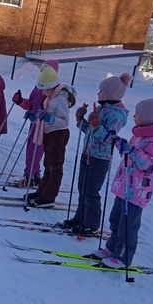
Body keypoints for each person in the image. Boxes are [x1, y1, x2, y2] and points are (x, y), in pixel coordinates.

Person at [93, 95, 153, 269]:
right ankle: (112, 248)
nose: (134, 116)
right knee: (115, 219)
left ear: (148, 117)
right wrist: (119, 144)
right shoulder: (139, 135)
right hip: (125, 186)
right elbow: (128, 155)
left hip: (137, 191)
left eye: (137, 114)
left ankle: (123, 257)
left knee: (128, 225)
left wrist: (132, 151)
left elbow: (149, 165)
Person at [62, 72, 133, 236]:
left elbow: (109, 139)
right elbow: (90, 131)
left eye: (101, 91)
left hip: (99, 159)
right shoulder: (101, 109)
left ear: (109, 94)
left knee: (91, 191)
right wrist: (81, 120)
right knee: (82, 189)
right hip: (87, 154)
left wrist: (96, 125)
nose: (98, 94)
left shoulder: (116, 115)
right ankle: (80, 218)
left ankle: (91, 223)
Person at [26, 66, 76, 208]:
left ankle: (49, 197)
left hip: (58, 135)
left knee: (55, 167)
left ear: (50, 87)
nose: (42, 93)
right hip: (49, 133)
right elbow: (44, 115)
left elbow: (64, 121)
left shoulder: (60, 99)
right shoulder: (50, 97)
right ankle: (42, 191)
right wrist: (35, 117)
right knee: (47, 164)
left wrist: (49, 118)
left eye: (43, 90)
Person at [12, 59, 60, 187]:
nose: (42, 73)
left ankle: (30, 175)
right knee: (30, 149)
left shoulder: (52, 90)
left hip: (42, 126)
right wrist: (20, 101)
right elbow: (31, 104)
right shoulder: (38, 87)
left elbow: (48, 109)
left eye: (46, 71)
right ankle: (34, 173)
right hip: (33, 124)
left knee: (36, 150)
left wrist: (37, 116)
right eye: (42, 70)